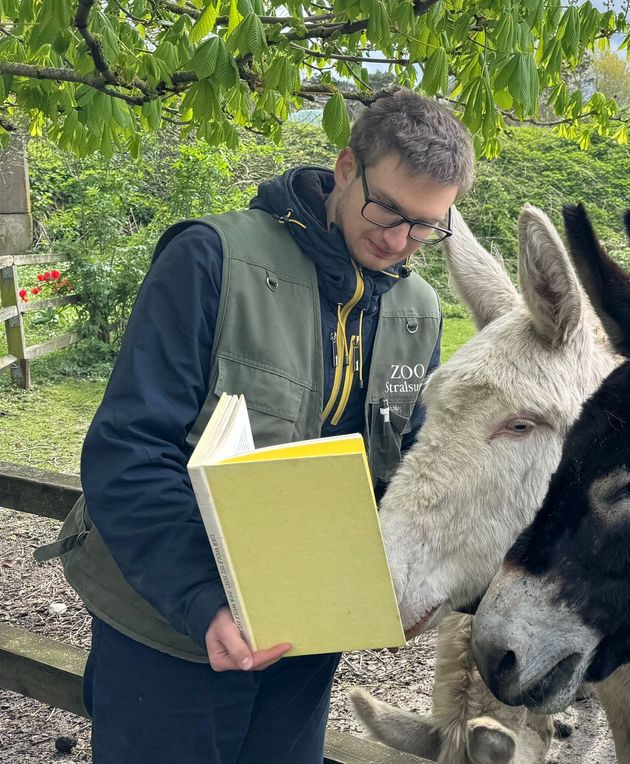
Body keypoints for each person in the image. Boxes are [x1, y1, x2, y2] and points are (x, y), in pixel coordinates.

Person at [35, 88, 475, 763]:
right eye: (386, 209)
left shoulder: (420, 311)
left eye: (424, 226)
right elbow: (129, 450)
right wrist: (202, 600)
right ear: (347, 165)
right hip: (168, 629)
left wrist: (405, 588)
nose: (397, 240)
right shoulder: (211, 258)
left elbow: (409, 468)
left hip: (304, 639)